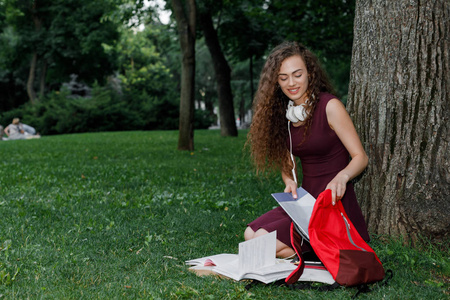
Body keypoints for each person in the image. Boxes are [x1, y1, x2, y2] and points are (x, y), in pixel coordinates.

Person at [244, 41, 370, 259]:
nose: (291, 83)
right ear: (276, 82)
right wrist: (288, 180)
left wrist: (342, 176)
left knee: (262, 241)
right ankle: (307, 251)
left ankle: (313, 247)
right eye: (283, 78)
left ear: (310, 74)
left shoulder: (330, 107)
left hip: (331, 205)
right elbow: (287, 163)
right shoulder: (286, 116)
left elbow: (361, 157)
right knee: (250, 234)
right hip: (304, 203)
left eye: (297, 74)